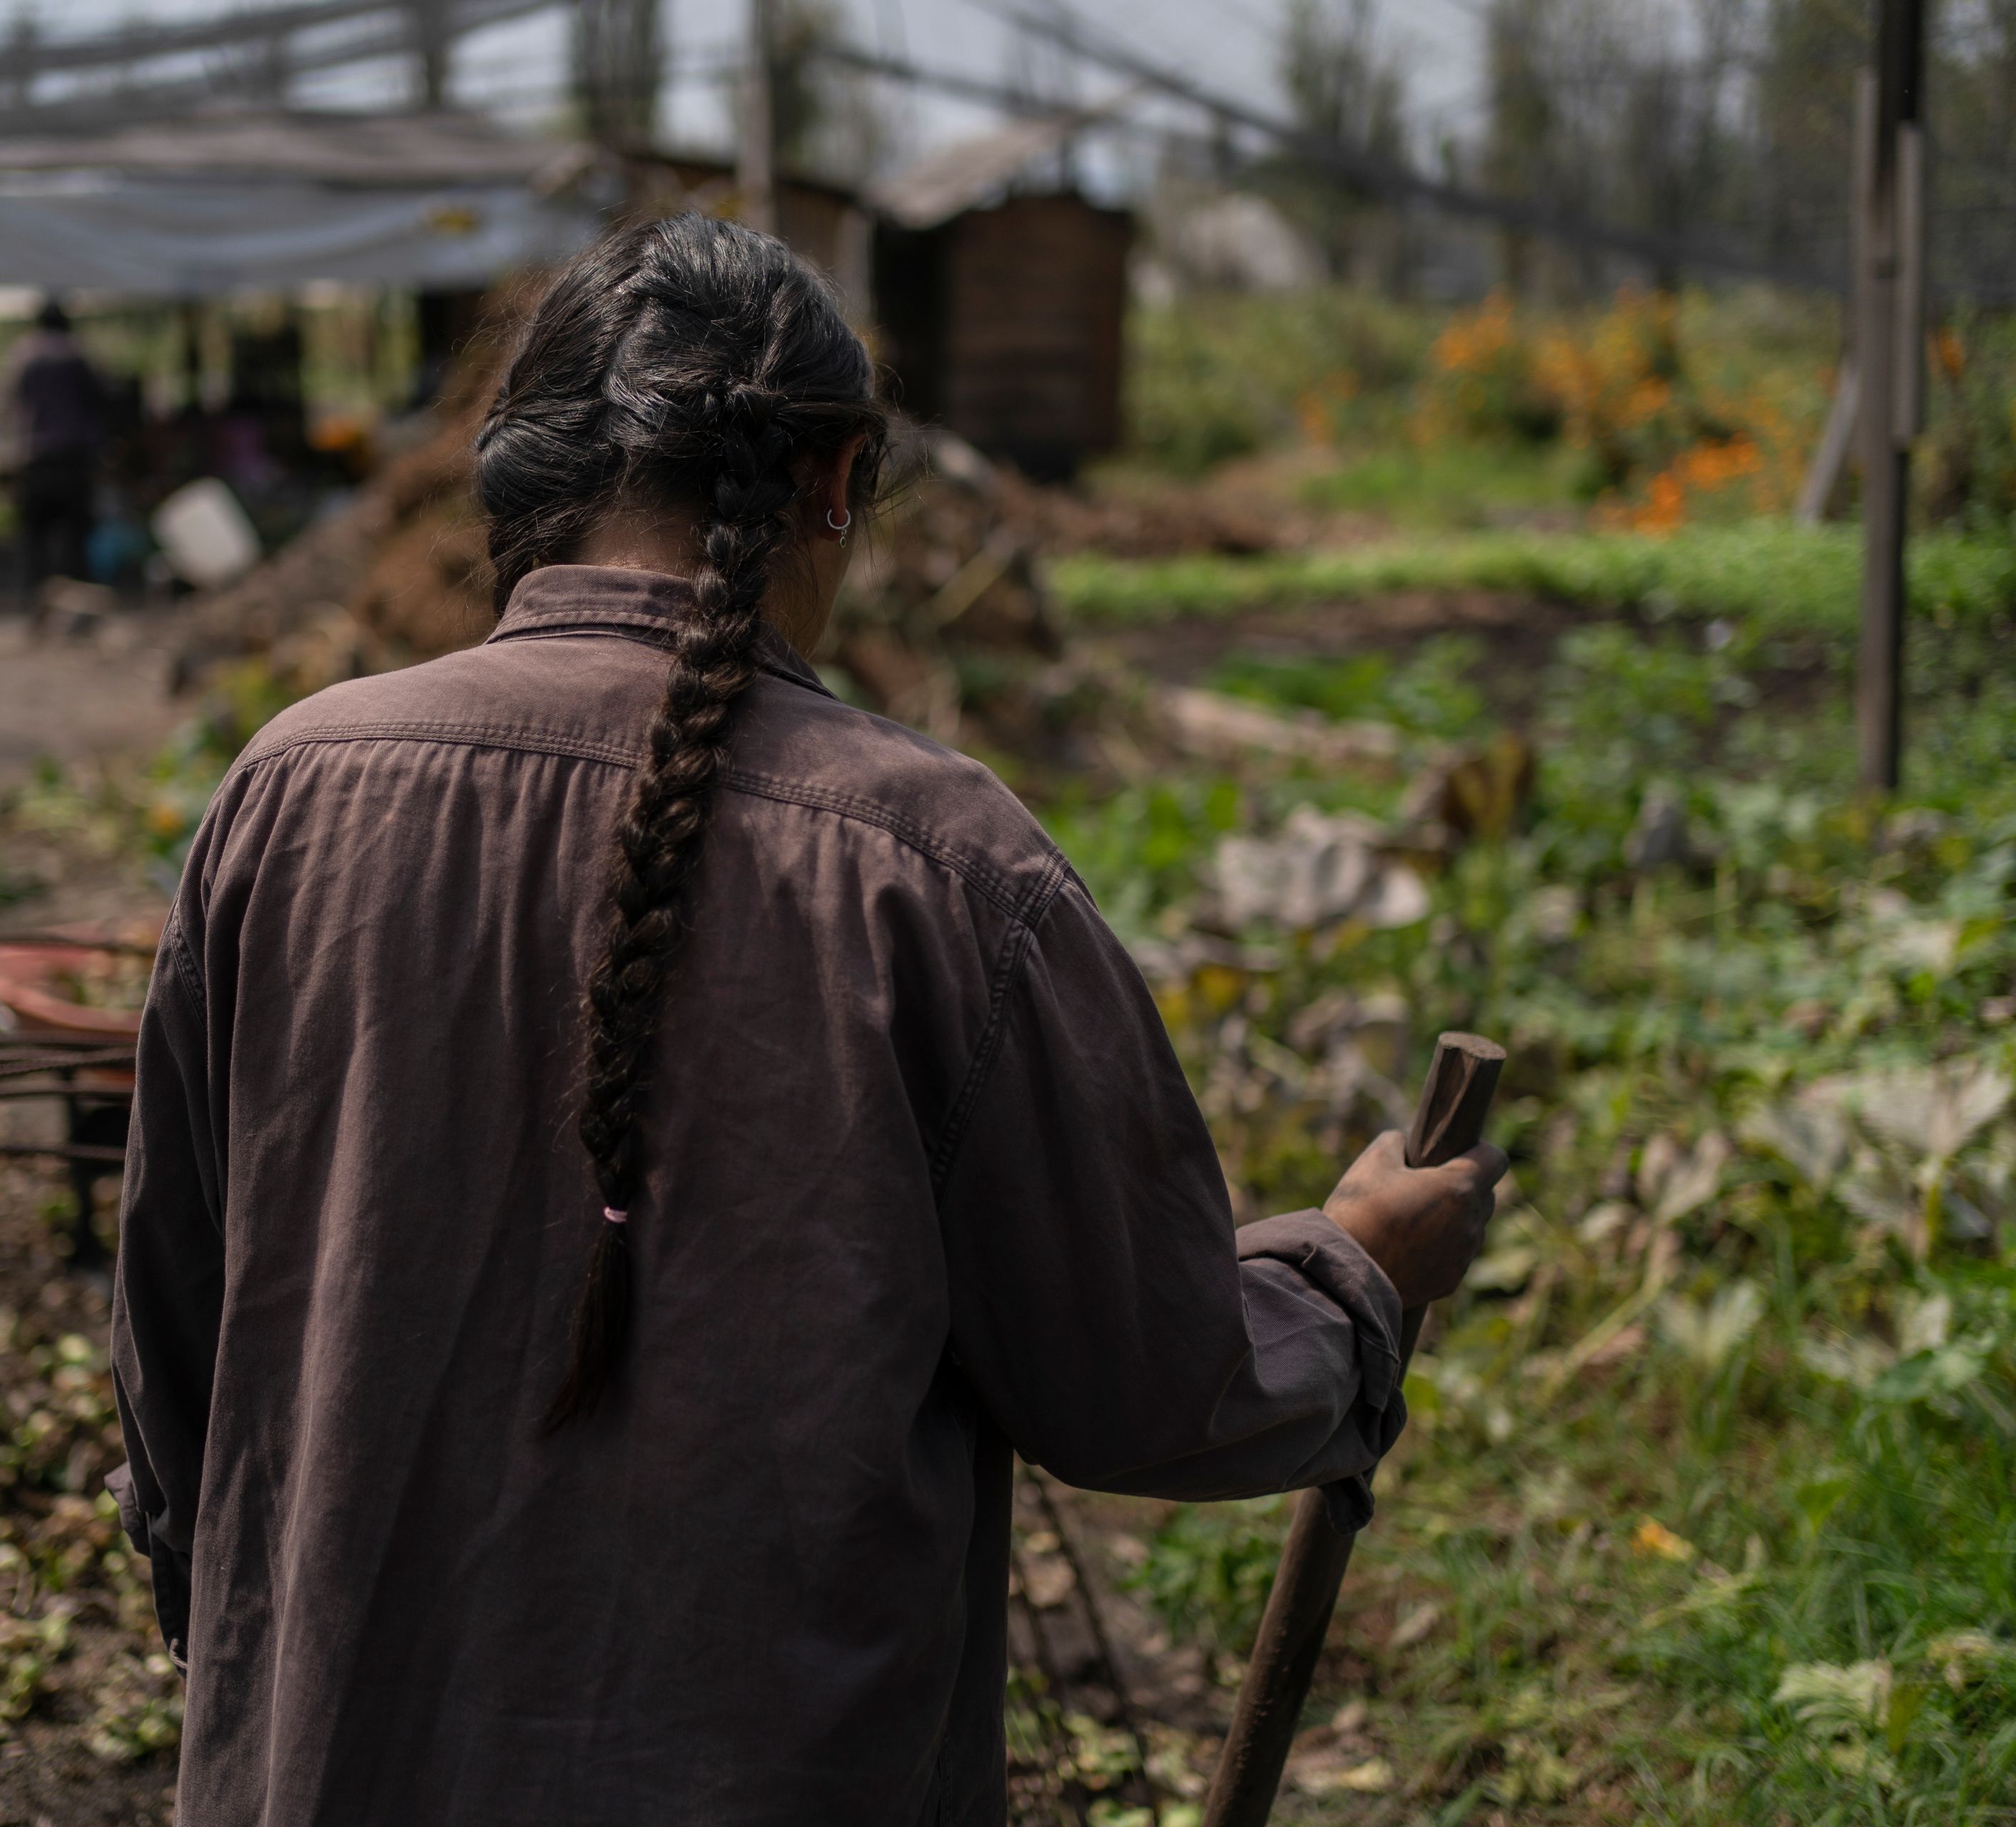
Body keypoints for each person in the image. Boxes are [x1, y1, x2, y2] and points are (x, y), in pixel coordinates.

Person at [108, 215, 1504, 1826]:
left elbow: (177, 1346)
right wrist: (1352, 1278)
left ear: (518, 486)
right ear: (836, 478)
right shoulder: (945, 865)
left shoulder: (289, 792)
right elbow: (1147, 1380)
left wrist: (243, 1641)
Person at [9, 295, 108, 607]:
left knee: (35, 534)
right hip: (73, 458)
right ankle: (76, 596)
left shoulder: (27, 358)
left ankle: (36, 596)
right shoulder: (78, 358)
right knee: (76, 531)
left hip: (37, 456)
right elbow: (98, 403)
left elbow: (18, 404)